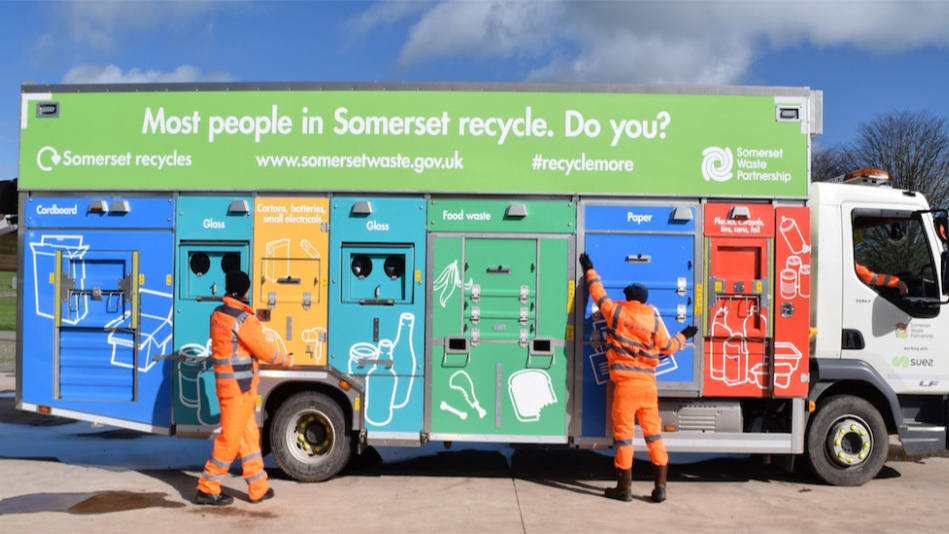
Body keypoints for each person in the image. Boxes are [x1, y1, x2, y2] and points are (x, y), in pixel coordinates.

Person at [579, 253, 697, 503]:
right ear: (644, 300)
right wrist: (685, 334)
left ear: (629, 298)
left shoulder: (617, 312)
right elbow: (667, 347)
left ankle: (624, 488)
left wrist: (589, 270)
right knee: (653, 435)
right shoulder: (653, 319)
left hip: (625, 387)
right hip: (647, 388)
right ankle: (660, 487)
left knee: (623, 437)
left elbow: (598, 294)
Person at [195, 270, 293, 506]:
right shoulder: (243, 319)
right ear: (245, 290)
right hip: (239, 389)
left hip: (232, 387)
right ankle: (207, 488)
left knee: (248, 437)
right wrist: (288, 360)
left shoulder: (218, 314)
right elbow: (266, 351)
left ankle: (258, 487)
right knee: (230, 439)